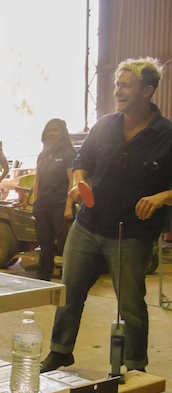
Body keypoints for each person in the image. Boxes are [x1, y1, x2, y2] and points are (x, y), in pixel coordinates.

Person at [41, 58, 172, 373]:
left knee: (131, 306)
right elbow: (82, 160)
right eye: (118, 84)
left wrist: (160, 197)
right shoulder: (105, 125)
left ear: (148, 91)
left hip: (131, 235)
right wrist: (79, 181)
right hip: (87, 226)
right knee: (69, 294)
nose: (119, 91)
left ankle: (136, 366)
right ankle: (60, 351)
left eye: (126, 85)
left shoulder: (167, 134)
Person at [32, 119, 77, 281]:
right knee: (45, 244)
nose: (51, 133)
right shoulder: (42, 155)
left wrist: (68, 206)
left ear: (63, 133)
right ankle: (43, 277)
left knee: (66, 245)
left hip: (60, 206)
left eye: (55, 130)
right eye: (49, 130)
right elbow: (37, 180)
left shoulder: (69, 154)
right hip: (43, 205)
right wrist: (35, 201)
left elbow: (72, 181)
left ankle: (70, 278)